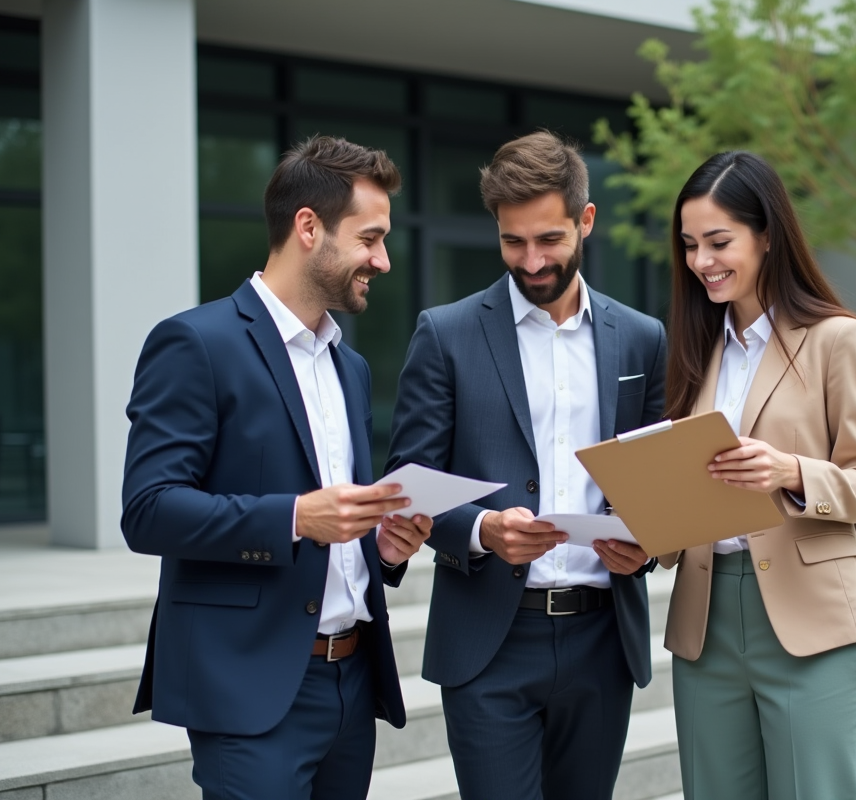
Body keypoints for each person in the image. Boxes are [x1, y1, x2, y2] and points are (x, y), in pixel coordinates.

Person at [121, 136, 432, 800]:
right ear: (308, 227)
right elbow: (148, 510)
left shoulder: (350, 367)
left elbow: (338, 539)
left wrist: (383, 546)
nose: (382, 258)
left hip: (353, 682)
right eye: (370, 238)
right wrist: (296, 516)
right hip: (250, 689)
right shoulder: (195, 343)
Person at [386, 131, 666, 800]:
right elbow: (406, 483)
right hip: (490, 640)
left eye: (549, 240)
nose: (532, 260)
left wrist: (646, 543)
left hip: (604, 638)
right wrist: (482, 530)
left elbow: (656, 482)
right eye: (514, 242)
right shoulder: (445, 332)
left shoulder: (642, 337)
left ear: (586, 221)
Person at [660, 150, 856, 800]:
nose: (701, 261)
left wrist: (789, 470)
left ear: (766, 235)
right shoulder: (695, 349)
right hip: (707, 625)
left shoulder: (833, 339)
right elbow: (688, 495)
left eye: (718, 242)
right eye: (689, 245)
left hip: (807, 621)